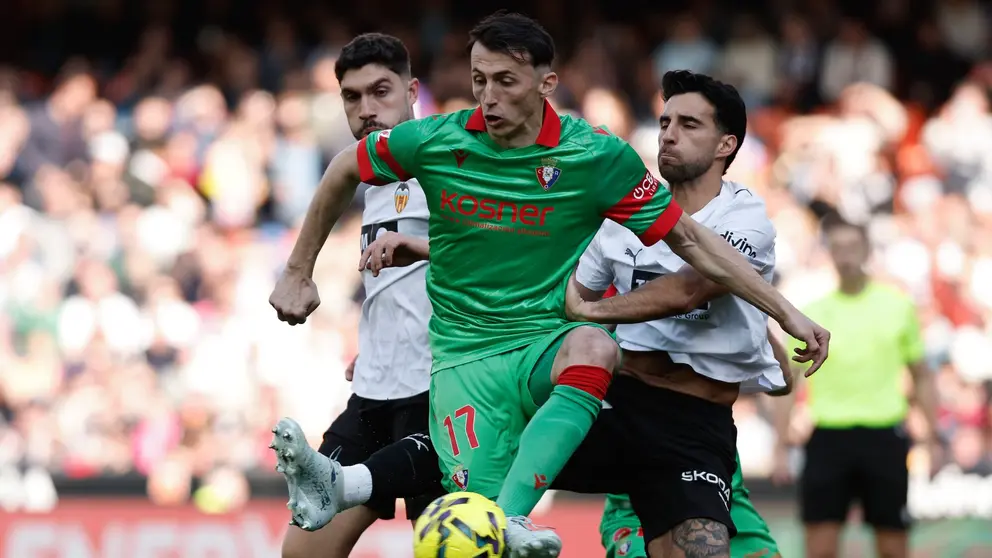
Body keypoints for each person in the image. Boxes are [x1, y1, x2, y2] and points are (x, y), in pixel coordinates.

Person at [268, 12, 828, 557]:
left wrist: (785, 312)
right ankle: (356, 488)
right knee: (467, 532)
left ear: (546, 83)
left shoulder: (593, 156)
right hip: (466, 364)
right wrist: (297, 269)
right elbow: (346, 166)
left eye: (506, 81)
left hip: (546, 352)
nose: (488, 97)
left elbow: (690, 247)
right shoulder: (435, 142)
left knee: (591, 344)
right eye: (479, 80)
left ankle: (502, 516)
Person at [564, 70, 793, 558]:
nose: (668, 133)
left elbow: (690, 289)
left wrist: (594, 310)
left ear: (725, 145)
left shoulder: (745, 218)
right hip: (619, 405)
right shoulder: (621, 217)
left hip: (693, 425)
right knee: (480, 467)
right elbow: (565, 301)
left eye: (689, 124)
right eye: (665, 121)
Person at [278, 33, 442, 558]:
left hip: (437, 392)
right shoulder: (371, 178)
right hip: (374, 389)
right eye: (353, 97)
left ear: (412, 90)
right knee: (303, 552)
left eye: (381, 91)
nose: (367, 109)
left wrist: (417, 245)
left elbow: (492, 245)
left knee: (445, 548)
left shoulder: (447, 159)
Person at [770, 215, 942, 558]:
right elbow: (791, 379)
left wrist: (933, 437)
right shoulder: (813, 313)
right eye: (837, 247)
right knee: (819, 547)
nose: (845, 254)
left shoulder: (897, 306)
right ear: (829, 253)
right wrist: (779, 444)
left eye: (852, 246)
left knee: (893, 544)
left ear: (866, 250)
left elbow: (921, 374)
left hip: (885, 436)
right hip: (828, 436)